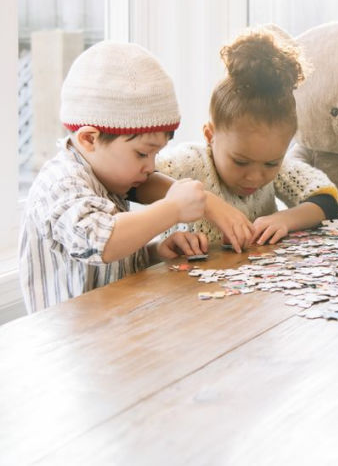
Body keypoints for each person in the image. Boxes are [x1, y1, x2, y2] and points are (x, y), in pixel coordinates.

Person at [19, 41, 211, 313]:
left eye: (156, 154)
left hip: (113, 334)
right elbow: (102, 242)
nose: (150, 166)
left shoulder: (106, 177)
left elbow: (105, 266)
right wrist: (173, 208)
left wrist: (155, 251)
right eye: (142, 154)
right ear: (89, 139)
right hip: (67, 348)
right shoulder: (60, 183)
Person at [156, 28, 338, 247]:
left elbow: (327, 200)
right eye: (240, 161)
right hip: (182, 280)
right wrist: (208, 202)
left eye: (271, 163)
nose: (254, 177)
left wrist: (285, 219)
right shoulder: (188, 163)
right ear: (210, 135)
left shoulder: (278, 169)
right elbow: (137, 182)